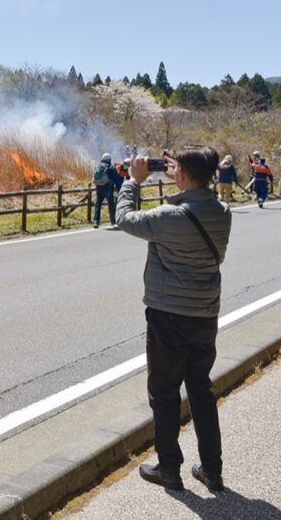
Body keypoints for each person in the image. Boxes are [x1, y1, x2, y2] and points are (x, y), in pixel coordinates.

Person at [115, 147, 231, 492]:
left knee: (165, 394)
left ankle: (169, 469)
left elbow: (124, 218)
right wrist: (182, 178)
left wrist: (133, 182)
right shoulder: (222, 211)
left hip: (168, 317)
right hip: (204, 315)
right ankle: (212, 470)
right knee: (201, 390)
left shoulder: (169, 216)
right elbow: (191, 202)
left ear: (181, 173)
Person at [92, 152, 119, 228]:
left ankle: (96, 222)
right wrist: (118, 186)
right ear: (109, 159)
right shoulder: (111, 167)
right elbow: (115, 178)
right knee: (111, 205)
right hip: (108, 189)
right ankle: (113, 222)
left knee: (98, 205)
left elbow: (94, 177)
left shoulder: (98, 166)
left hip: (99, 189)